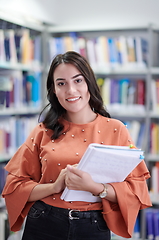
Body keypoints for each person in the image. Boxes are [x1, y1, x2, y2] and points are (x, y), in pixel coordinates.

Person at [2, 51, 151, 240]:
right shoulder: (42, 131)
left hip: (93, 226)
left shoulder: (116, 129)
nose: (70, 90)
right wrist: (54, 187)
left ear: (89, 82)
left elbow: (135, 191)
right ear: (54, 90)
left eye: (78, 80)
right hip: (43, 222)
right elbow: (14, 187)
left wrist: (95, 187)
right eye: (61, 83)